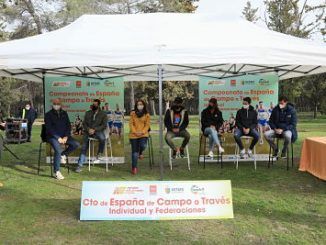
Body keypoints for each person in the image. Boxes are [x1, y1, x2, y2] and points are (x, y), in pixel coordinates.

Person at [45, 99, 80, 180]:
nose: (56, 105)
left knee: (76, 144)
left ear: (60, 105)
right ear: (52, 104)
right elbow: (49, 128)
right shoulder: (48, 114)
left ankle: (63, 155)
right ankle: (56, 172)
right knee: (58, 150)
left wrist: (66, 136)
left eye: (58, 104)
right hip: (52, 137)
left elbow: (68, 126)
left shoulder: (64, 113)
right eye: (55, 103)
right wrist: (58, 138)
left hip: (64, 136)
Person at [76, 99, 108, 173]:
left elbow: (104, 125)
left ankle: (99, 153)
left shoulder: (103, 114)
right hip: (88, 132)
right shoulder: (88, 113)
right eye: (93, 104)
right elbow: (84, 124)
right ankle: (79, 165)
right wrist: (88, 129)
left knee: (102, 138)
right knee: (84, 148)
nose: (94, 105)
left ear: (99, 105)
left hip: (97, 131)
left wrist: (94, 129)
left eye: (95, 104)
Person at [129, 99, 150, 175]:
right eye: (138, 104)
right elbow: (131, 124)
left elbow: (147, 125)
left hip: (143, 134)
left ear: (144, 105)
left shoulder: (147, 114)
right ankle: (134, 168)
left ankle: (140, 152)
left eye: (141, 104)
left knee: (143, 145)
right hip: (134, 135)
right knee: (134, 152)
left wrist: (142, 132)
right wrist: (135, 132)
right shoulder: (132, 113)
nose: (139, 106)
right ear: (136, 106)